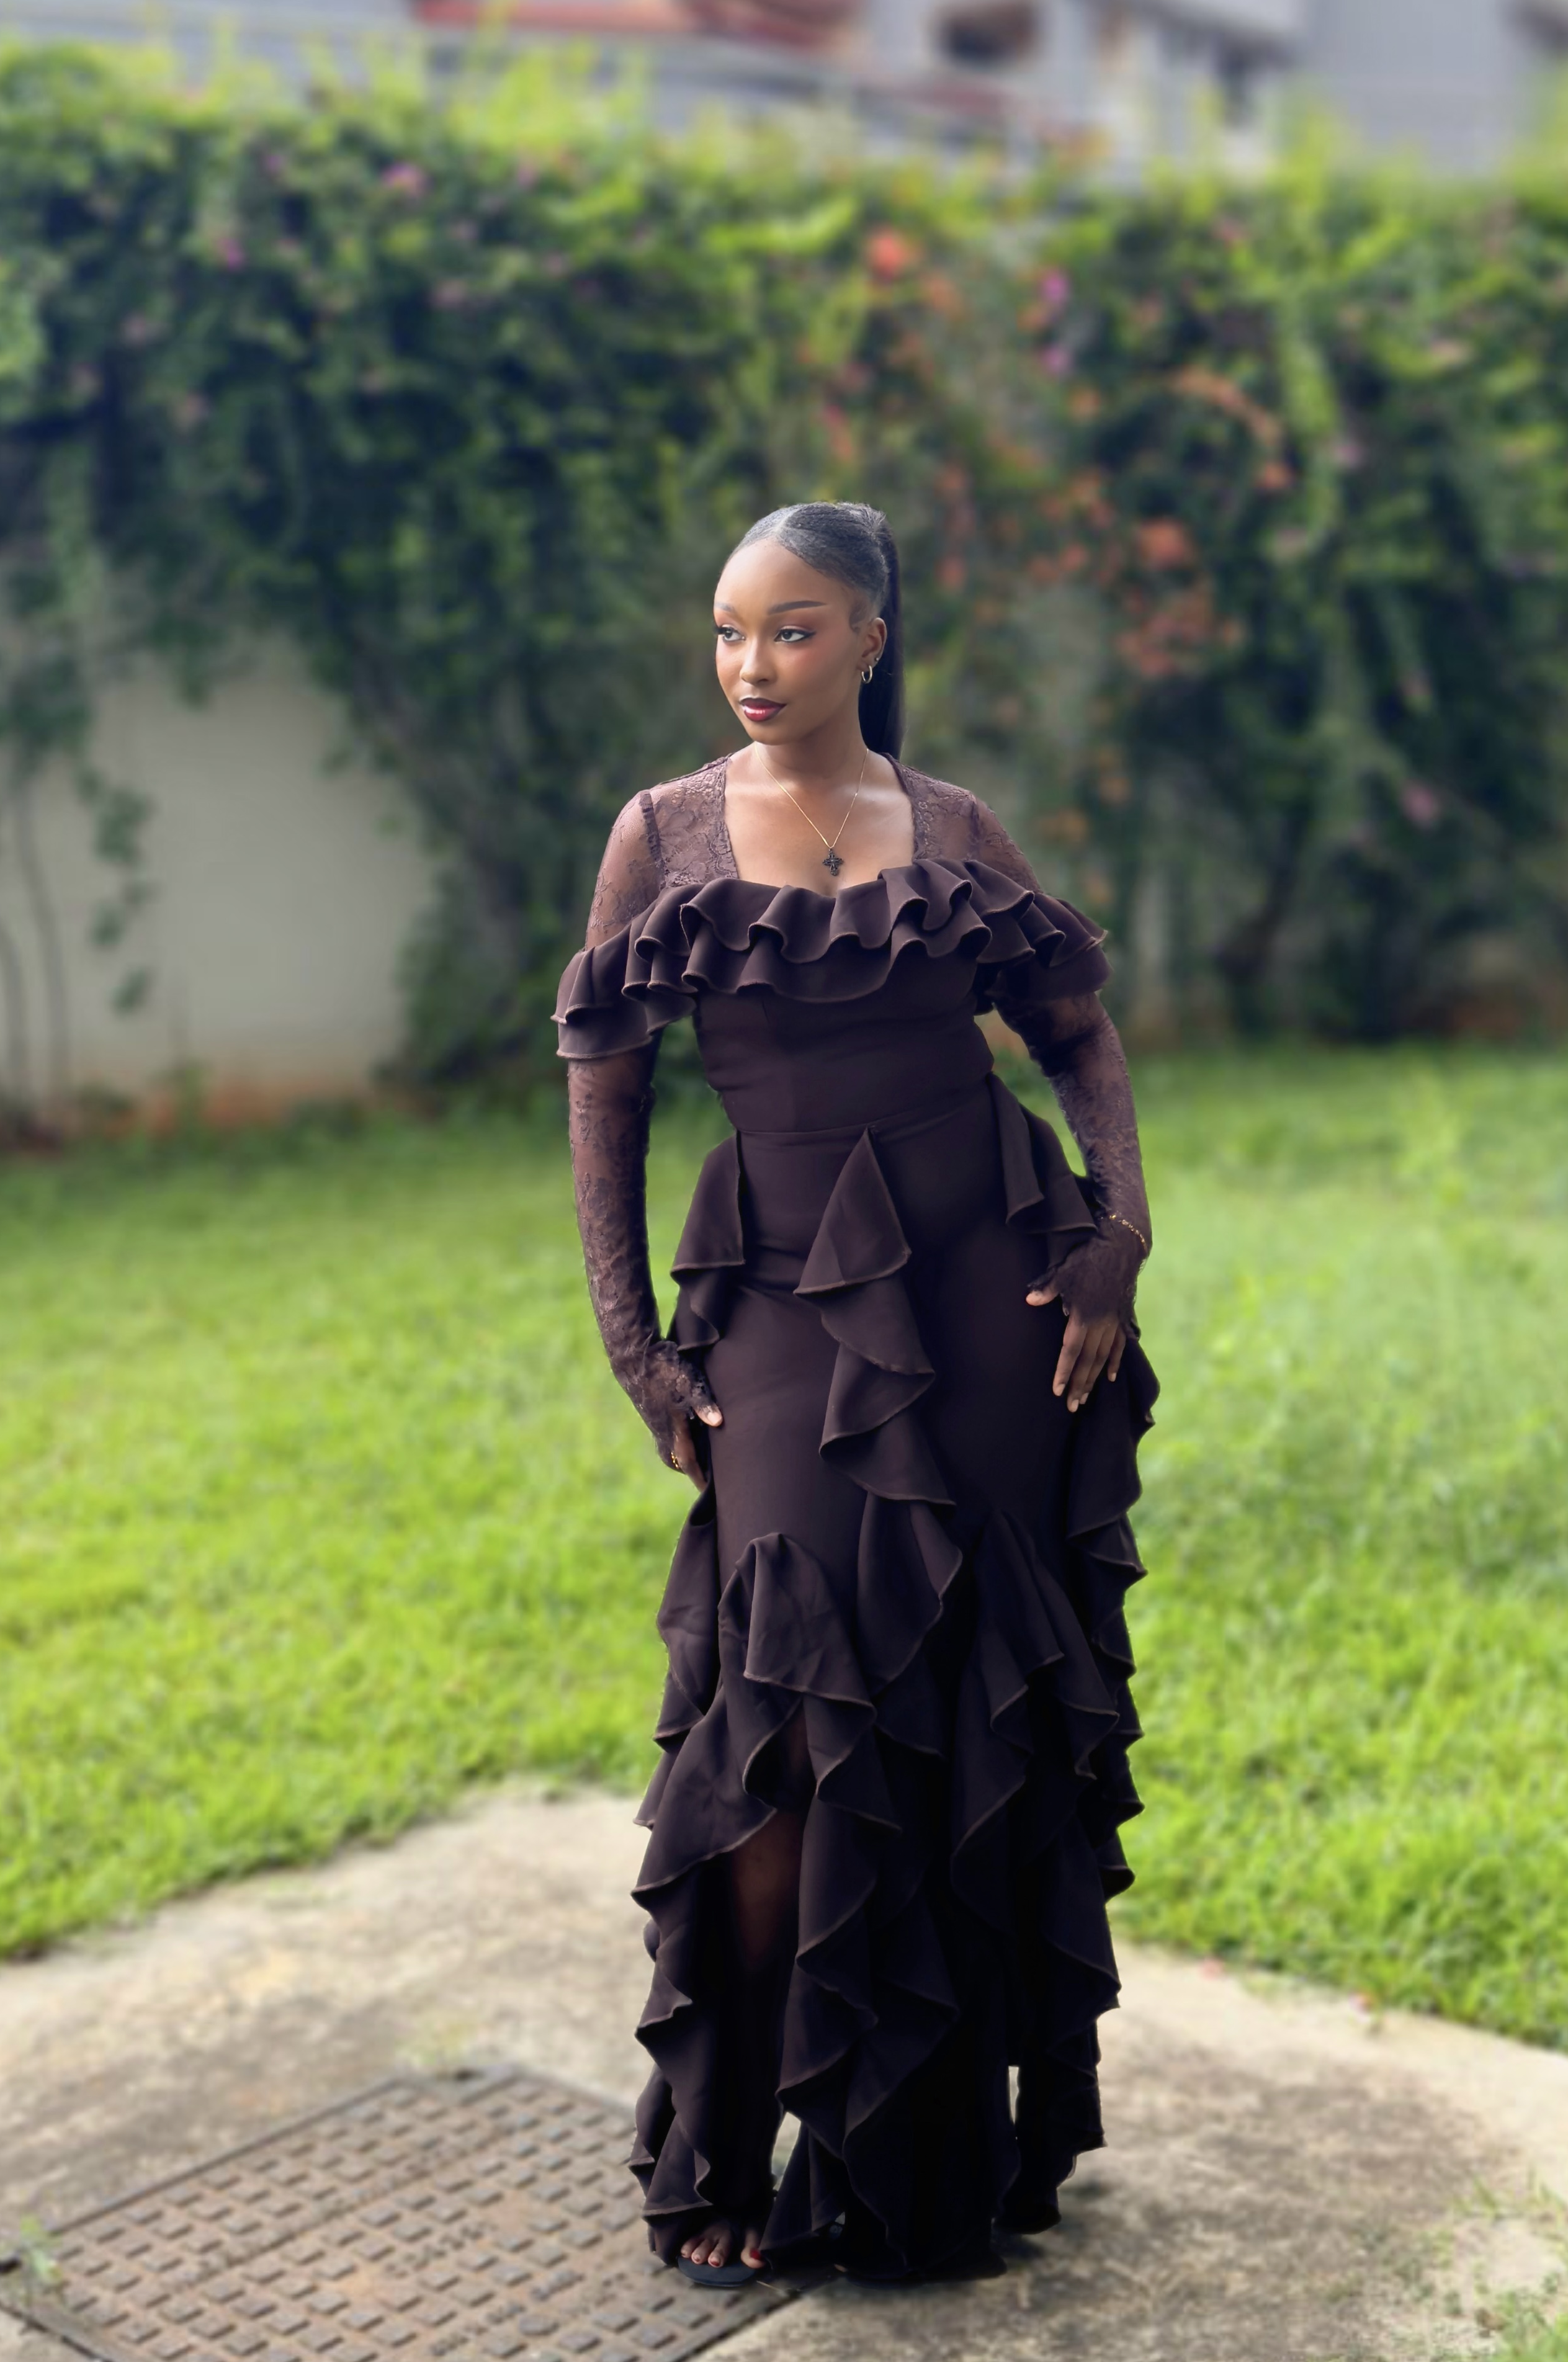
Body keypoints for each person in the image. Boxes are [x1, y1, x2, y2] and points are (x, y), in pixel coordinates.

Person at [553, 499, 1158, 2289]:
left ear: (871, 639)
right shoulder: (662, 834)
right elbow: (604, 1094)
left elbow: (1077, 1035)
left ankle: (936, 2157)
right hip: (779, 1300)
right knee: (781, 1721)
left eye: (794, 628)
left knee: (973, 1699)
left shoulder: (953, 827)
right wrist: (634, 1345)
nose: (752, 665)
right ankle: (735, 2141)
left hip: (991, 1295)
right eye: (729, 631)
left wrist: (1120, 1237)